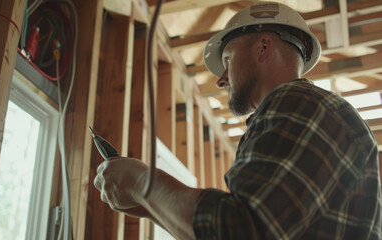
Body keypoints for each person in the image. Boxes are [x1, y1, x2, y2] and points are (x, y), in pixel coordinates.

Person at [94, 2, 381, 239]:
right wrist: (148, 204)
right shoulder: (308, 112)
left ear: (263, 47)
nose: (220, 80)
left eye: (228, 60)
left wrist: (141, 183)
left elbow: (240, 230)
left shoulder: (298, 103)